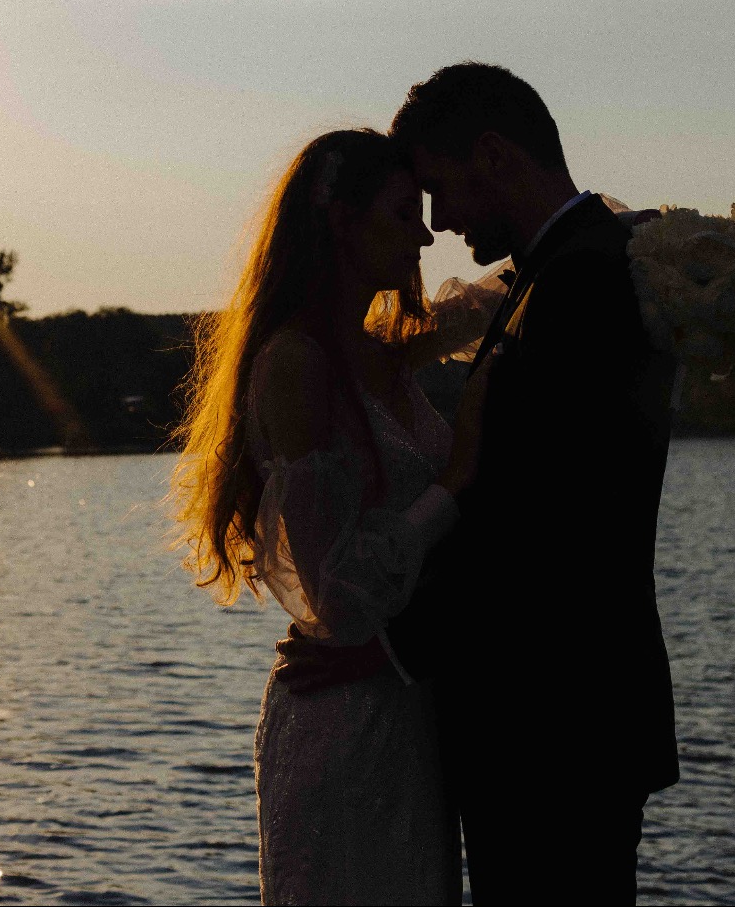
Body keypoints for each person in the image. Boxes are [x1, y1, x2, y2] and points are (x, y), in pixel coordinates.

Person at [171, 127, 498, 906]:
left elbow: (500, 296)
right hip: (343, 718)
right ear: (342, 223)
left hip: (402, 701)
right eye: (400, 213)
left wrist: (629, 240)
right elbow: (340, 592)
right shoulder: (296, 366)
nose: (425, 233)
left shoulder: (380, 349)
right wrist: (451, 487)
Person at [381, 61, 680, 903]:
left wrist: (385, 646)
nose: (437, 225)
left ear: (493, 155)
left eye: (440, 190)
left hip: (554, 721)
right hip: (560, 714)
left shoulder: (582, 280)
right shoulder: (561, 272)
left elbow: (534, 518)